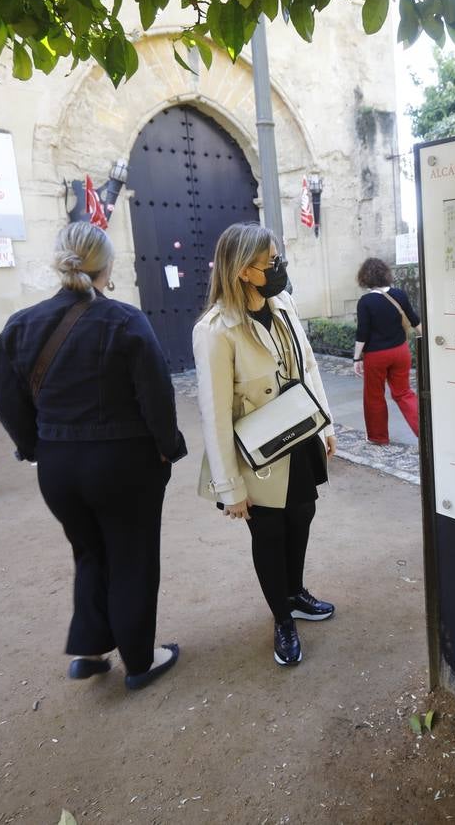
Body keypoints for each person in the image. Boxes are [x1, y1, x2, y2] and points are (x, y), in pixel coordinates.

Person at [0, 222, 186, 690]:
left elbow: (7, 400)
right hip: (123, 462)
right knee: (132, 556)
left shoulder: (20, 324)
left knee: (89, 553)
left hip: (59, 465)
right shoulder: (124, 320)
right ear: (108, 265)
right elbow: (156, 396)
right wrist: (168, 448)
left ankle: (90, 648)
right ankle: (140, 658)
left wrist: (34, 448)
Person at [193, 223, 337, 668]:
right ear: (242, 271)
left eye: (278, 258)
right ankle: (282, 619)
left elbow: (308, 364)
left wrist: (326, 424)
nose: (279, 268)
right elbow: (215, 413)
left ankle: (295, 594)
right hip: (257, 454)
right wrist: (229, 488)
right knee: (270, 533)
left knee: (303, 516)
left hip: (300, 435)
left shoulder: (283, 302)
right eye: (270, 262)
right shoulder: (216, 330)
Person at [352, 257, 421, 444]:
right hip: (401, 351)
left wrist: (356, 359)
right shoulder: (399, 294)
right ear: (385, 274)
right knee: (404, 393)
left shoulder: (365, 302)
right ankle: (425, 431)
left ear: (364, 277)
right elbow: (415, 321)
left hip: (376, 356)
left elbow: (363, 333)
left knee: (374, 396)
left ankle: (378, 437)